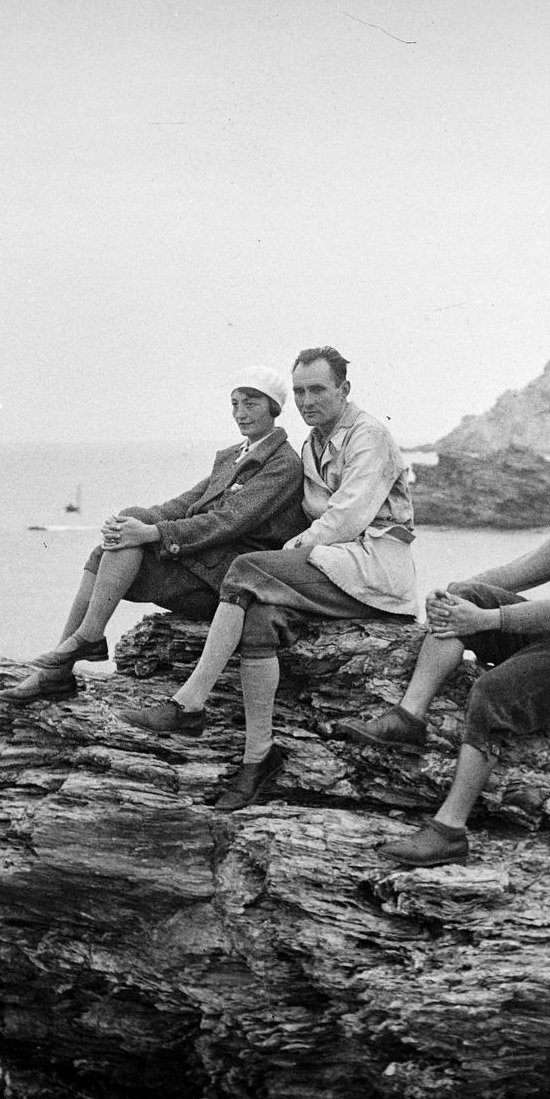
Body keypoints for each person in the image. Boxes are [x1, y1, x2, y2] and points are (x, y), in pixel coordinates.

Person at [119, 346, 417, 811]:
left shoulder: (369, 436)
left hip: (373, 571)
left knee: (249, 568)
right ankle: (258, 759)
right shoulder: (312, 444)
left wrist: (282, 555)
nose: (306, 399)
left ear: (345, 389)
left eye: (318, 389)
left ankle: (190, 703)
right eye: (298, 391)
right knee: (257, 618)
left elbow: (345, 519)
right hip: (330, 567)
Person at [340, 453, 550, 867]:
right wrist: (455, 593)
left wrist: (484, 619)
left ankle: (449, 831)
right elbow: (523, 572)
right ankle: (409, 717)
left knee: (491, 693)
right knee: (468, 598)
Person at [0, 366, 308, 704]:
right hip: (202, 565)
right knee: (124, 528)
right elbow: (187, 502)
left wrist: (152, 533)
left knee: (128, 539)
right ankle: (77, 647)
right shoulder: (236, 455)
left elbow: (227, 521)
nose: (240, 413)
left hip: (228, 581)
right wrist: (129, 525)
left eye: (251, 404)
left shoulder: (282, 464)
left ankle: (68, 658)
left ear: (274, 408)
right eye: (234, 404)